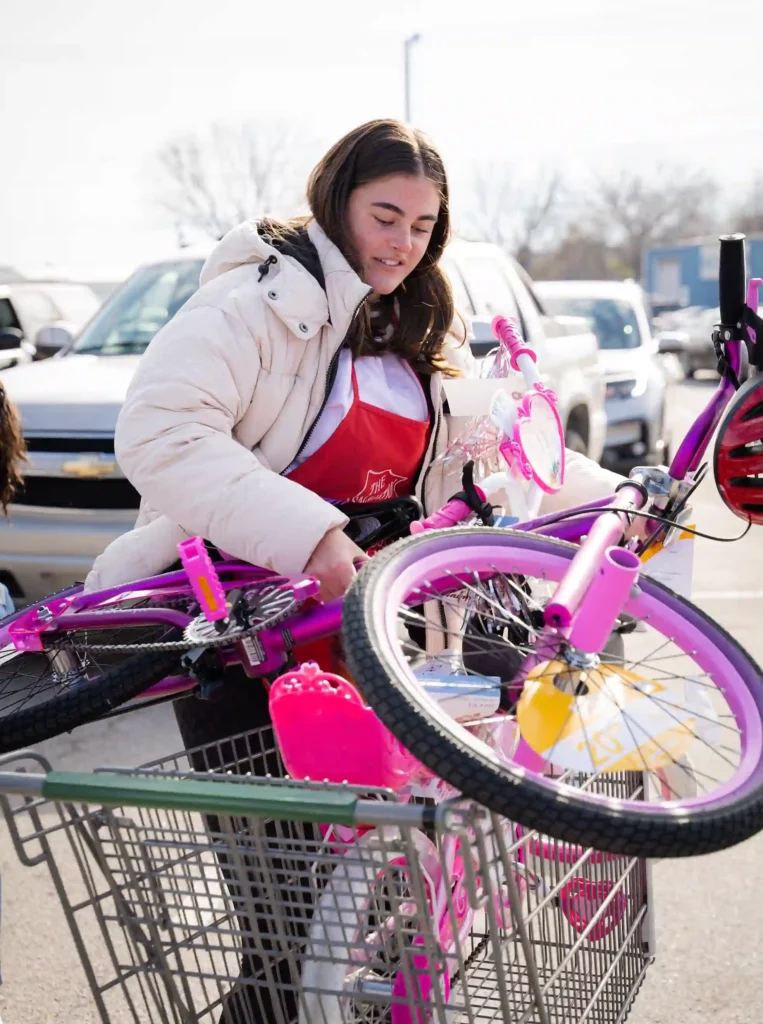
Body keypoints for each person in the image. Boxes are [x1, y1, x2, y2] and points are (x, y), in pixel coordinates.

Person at [85, 118, 623, 1020]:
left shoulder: (423, 320)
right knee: (286, 925)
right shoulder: (250, 306)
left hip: (384, 639)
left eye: (421, 227)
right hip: (249, 635)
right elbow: (160, 434)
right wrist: (315, 539)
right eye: (384, 217)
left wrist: (616, 506)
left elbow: (475, 465)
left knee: (383, 914)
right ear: (336, 201)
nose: (401, 244)